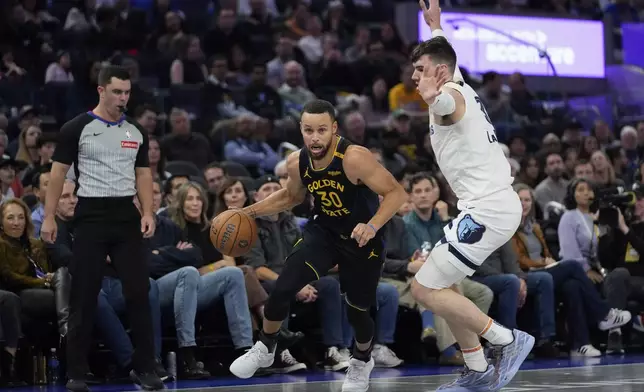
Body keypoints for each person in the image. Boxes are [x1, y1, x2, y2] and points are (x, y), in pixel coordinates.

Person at [228, 99, 408, 392]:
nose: (315, 137)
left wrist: (372, 225)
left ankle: (362, 359)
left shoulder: (354, 158)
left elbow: (396, 194)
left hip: (363, 240)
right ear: (301, 129)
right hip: (323, 233)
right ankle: (266, 347)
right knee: (284, 285)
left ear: (334, 129)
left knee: (358, 313)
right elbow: (291, 197)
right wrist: (247, 212)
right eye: (309, 130)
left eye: (322, 130)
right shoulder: (297, 162)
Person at [407, 1, 535, 391]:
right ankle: (477, 368)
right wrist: (436, 25)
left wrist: (433, 98)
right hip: (493, 205)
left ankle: (507, 340)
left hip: (487, 211)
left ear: (439, 73)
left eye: (420, 70)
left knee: (423, 289)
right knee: (446, 285)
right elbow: (443, 50)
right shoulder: (454, 75)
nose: (414, 77)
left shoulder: (449, 97)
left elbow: (447, 108)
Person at [40, 65, 164, 392]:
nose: (123, 98)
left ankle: (146, 367)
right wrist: (50, 217)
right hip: (90, 216)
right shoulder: (76, 128)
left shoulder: (136, 130)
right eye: (117, 92)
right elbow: (57, 174)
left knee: (140, 293)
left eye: (127, 92)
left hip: (126, 216)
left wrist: (148, 211)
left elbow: (143, 175)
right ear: (101, 90)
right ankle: (77, 373)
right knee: (83, 296)